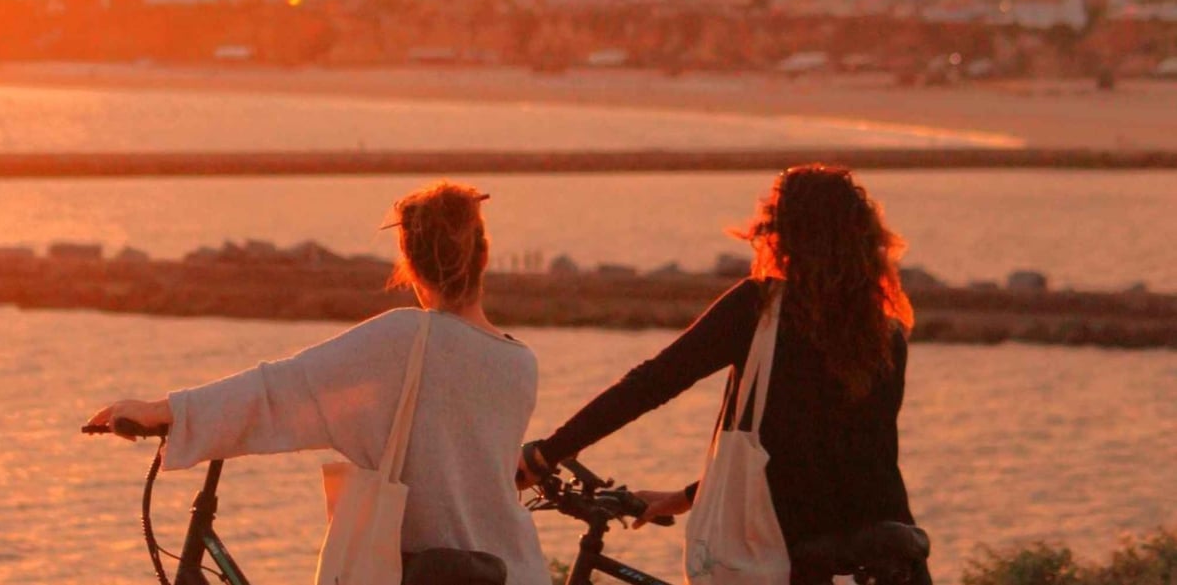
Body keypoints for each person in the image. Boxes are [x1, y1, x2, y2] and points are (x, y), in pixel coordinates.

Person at [88, 180, 549, 585]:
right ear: (483, 255)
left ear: (408, 261)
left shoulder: (406, 338)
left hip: (426, 575)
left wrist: (165, 411)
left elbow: (282, 390)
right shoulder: (520, 363)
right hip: (515, 571)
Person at [518, 164, 931, 585]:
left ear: (782, 233)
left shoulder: (759, 308)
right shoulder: (885, 332)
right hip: (887, 558)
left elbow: (650, 384)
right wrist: (684, 498)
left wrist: (544, 455)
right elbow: (838, 458)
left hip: (785, 560)